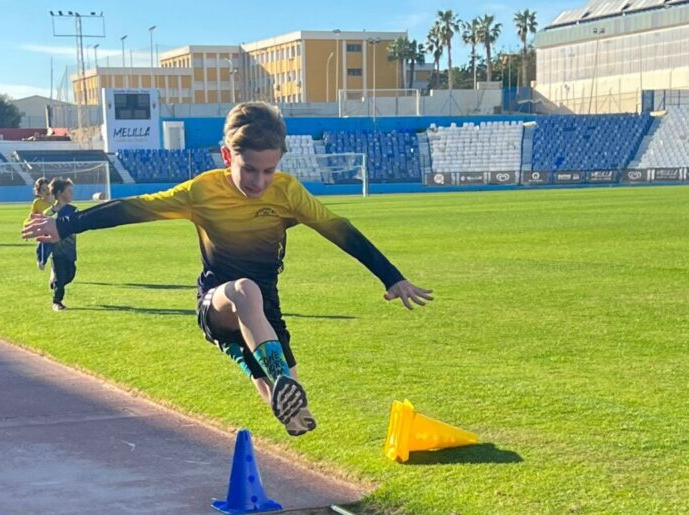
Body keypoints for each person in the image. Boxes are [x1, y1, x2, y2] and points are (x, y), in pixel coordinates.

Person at [23, 102, 432, 433]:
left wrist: (391, 276)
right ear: (226, 156)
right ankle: (262, 364)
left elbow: (339, 230)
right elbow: (134, 208)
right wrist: (66, 223)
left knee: (288, 404)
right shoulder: (202, 191)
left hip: (264, 315)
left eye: (269, 170)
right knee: (244, 291)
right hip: (217, 302)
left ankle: (271, 381)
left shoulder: (289, 193)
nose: (259, 181)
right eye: (249, 169)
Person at [47, 177, 78, 312]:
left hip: (70, 250)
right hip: (57, 251)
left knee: (70, 274)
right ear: (60, 193)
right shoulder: (50, 213)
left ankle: (54, 283)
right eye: (69, 191)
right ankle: (57, 302)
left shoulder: (74, 210)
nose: (72, 194)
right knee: (60, 278)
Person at [26, 177, 54, 270]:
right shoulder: (37, 203)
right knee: (43, 244)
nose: (47, 191)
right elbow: (32, 216)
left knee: (58, 252)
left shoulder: (56, 199)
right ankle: (41, 260)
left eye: (48, 188)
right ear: (39, 192)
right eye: (43, 190)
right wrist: (28, 229)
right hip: (44, 229)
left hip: (57, 228)